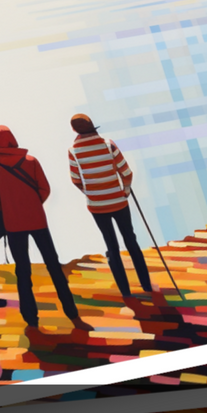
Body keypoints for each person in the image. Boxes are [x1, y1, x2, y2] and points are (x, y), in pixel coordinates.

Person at [0, 125, 82, 328]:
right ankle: (71, 312)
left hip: (13, 224)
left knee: (23, 271)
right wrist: (33, 205)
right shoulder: (31, 161)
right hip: (37, 220)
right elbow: (44, 189)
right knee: (53, 265)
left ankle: (31, 319)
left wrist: (10, 209)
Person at [67, 113, 153, 303]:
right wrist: (126, 190)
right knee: (131, 241)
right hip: (118, 200)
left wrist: (91, 192)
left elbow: (75, 180)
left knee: (111, 246)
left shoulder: (73, 151)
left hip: (96, 205)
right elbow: (126, 172)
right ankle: (146, 285)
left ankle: (126, 293)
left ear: (74, 130)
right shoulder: (108, 145)